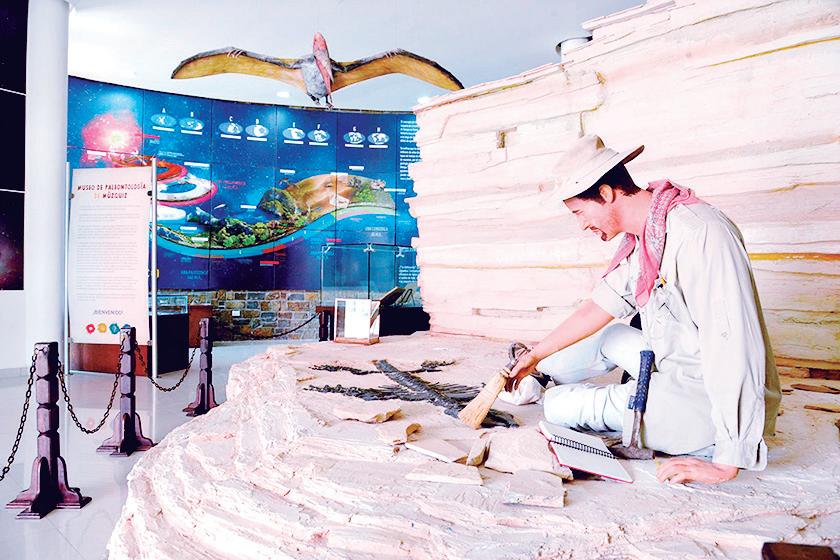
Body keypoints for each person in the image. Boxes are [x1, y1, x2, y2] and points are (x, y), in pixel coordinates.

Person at [501, 135, 781, 485]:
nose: (582, 225)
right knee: (612, 335)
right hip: (673, 362)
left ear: (605, 193)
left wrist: (730, 457)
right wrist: (535, 356)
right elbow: (597, 307)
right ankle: (538, 377)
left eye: (579, 213)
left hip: (700, 399)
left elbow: (733, 344)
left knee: (557, 406)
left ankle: (555, 391)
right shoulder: (649, 234)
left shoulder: (700, 235)